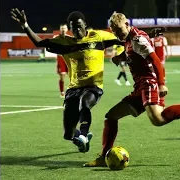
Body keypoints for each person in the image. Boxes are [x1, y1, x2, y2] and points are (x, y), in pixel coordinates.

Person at [83, 12, 180, 167]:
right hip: (139, 87)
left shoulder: (137, 39)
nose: (117, 34)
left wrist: (161, 83)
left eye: (119, 30)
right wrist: (120, 57)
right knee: (111, 116)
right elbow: (132, 50)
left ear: (127, 25)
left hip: (149, 83)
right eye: (114, 31)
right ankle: (104, 157)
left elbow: (155, 60)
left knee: (159, 119)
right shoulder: (129, 38)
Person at [11, 8, 121, 153]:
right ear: (70, 28)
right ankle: (83, 138)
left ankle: (83, 134)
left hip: (93, 86)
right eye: (73, 27)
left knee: (85, 103)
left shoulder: (99, 36)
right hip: (73, 89)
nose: (76, 30)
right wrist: (25, 25)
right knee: (68, 134)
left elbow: (124, 39)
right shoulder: (64, 42)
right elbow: (39, 43)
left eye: (79, 26)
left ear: (85, 25)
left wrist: (126, 54)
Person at [54, 24, 70, 98]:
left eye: (64, 28)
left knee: (71, 76)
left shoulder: (70, 38)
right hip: (61, 58)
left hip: (68, 58)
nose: (63, 29)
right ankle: (62, 92)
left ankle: (71, 91)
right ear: (60, 29)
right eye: (62, 28)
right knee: (62, 76)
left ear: (67, 29)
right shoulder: (56, 38)